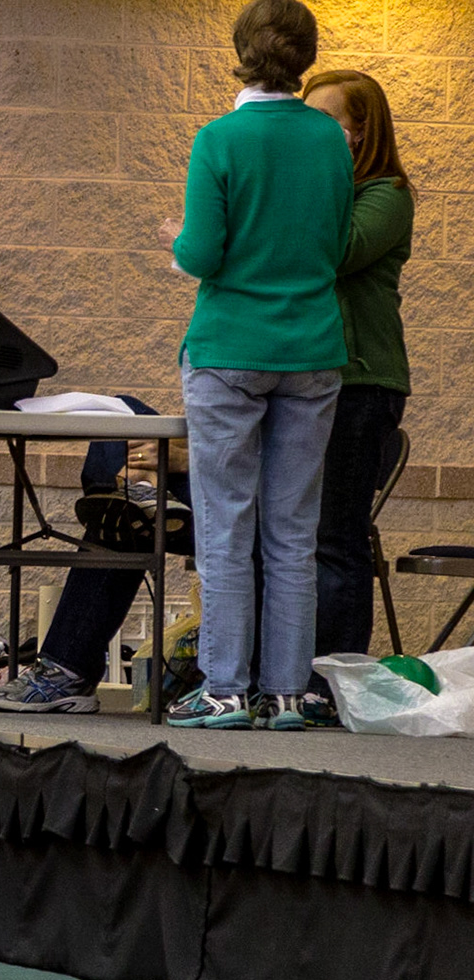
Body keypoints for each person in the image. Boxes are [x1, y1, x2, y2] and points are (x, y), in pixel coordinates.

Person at [159, 0, 353, 731]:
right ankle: (286, 692)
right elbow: (336, 244)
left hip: (230, 349)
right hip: (312, 348)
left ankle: (224, 689)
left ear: (240, 51)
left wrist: (178, 242)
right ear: (306, 56)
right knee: (294, 533)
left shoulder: (218, 139)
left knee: (225, 527)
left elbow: (203, 253)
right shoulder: (331, 139)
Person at [301, 69, 415, 725]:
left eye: (327, 121)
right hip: (313, 379)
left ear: (362, 131)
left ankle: (333, 682)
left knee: (337, 536)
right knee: (304, 537)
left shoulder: (386, 194)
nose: (312, 132)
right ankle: (294, 675)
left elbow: (336, 250)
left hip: (363, 382)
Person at [0, 401, 193, 712]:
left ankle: (67, 673)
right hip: (210, 474)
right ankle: (137, 489)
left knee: (123, 505)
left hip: (250, 510)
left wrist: (187, 457)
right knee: (123, 414)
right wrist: (173, 451)